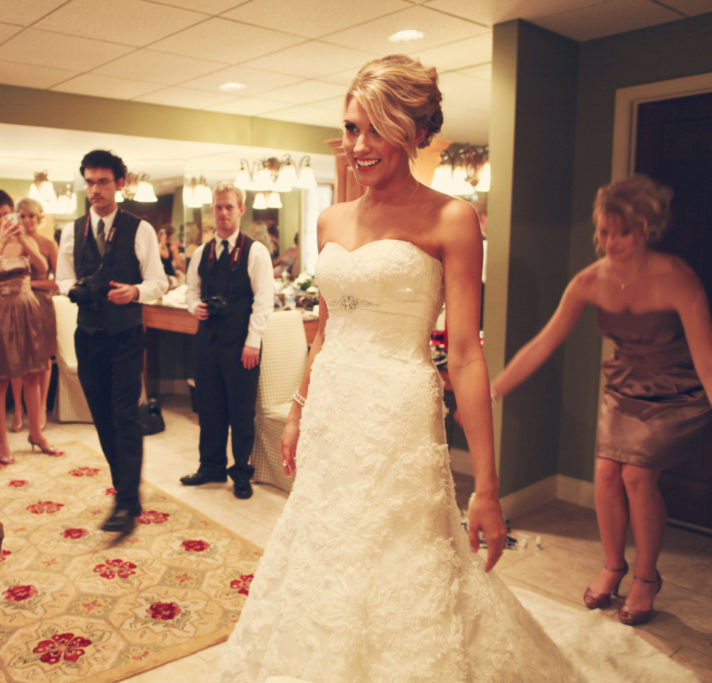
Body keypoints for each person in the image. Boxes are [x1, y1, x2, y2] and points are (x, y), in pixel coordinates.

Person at [219, 56, 584, 681]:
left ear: (415, 133)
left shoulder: (452, 218)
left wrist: (489, 490)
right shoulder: (331, 220)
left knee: (402, 563)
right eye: (351, 128)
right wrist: (299, 410)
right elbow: (327, 330)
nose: (358, 147)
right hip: (333, 408)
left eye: (375, 129)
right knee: (323, 548)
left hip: (398, 413)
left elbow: (466, 354)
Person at [492, 175, 711, 626]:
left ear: (646, 229)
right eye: (604, 231)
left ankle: (647, 578)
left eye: (623, 232)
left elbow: (707, 361)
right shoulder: (589, 280)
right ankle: (614, 567)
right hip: (623, 389)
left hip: (675, 394)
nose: (611, 242)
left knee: (635, 475)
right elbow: (542, 343)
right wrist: (494, 388)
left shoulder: (678, 280)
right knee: (606, 475)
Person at [56, 149, 168, 535]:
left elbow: (158, 282)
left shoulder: (141, 229)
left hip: (126, 335)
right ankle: (125, 489)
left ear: (120, 184)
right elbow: (61, 279)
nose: (95, 189)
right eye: (89, 181)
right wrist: (74, 290)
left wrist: (134, 292)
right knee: (102, 416)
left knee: (124, 414)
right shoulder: (72, 231)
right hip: (88, 337)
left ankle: (125, 501)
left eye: (103, 181)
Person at [180, 182, 274, 499]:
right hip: (206, 340)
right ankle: (211, 467)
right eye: (218, 207)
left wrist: (253, 342)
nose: (223, 213)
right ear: (212, 210)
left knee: (241, 412)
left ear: (241, 210)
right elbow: (190, 291)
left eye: (229, 207)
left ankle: (241, 473)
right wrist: (196, 307)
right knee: (209, 409)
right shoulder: (201, 252)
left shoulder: (255, 251)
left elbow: (264, 301)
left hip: (240, 343)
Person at [0, 190, 60, 464]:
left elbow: (42, 265)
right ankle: (1, 440)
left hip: (31, 307)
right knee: (0, 377)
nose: (3, 220)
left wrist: (22, 237)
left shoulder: (24, 240)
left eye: (6, 213)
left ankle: (37, 433)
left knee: (34, 374)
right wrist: (1, 243)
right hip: (2, 310)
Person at [8, 197, 58, 436]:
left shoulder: (48, 244)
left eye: (31, 216)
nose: (26, 220)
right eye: (22, 215)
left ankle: (41, 408)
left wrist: (31, 284)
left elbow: (57, 281)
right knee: (19, 357)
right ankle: (18, 409)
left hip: (42, 305)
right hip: (16, 304)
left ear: (39, 218)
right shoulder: (11, 243)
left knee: (43, 358)